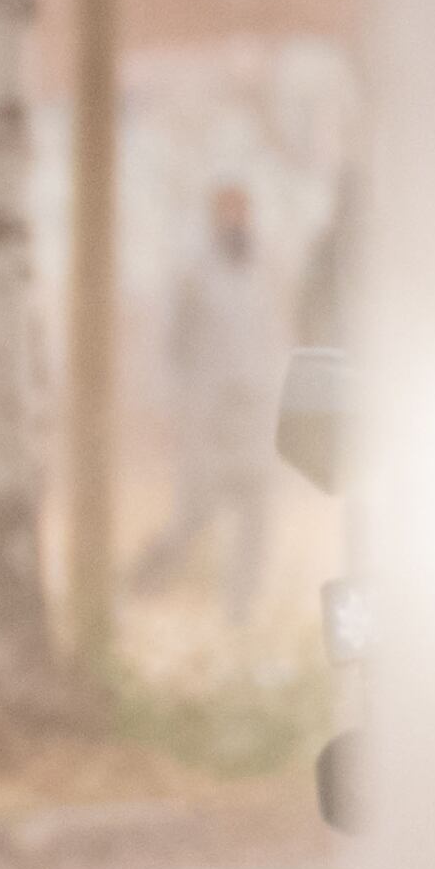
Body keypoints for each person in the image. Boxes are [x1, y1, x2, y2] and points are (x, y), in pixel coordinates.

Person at [131, 182, 287, 622]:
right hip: (208, 413)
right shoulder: (192, 275)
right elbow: (169, 345)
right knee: (194, 515)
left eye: (242, 209)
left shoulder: (264, 271)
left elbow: (276, 338)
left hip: (256, 411)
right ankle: (142, 583)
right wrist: (169, 406)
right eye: (228, 210)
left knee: (256, 515)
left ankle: (240, 611)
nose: (236, 218)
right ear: (215, 216)